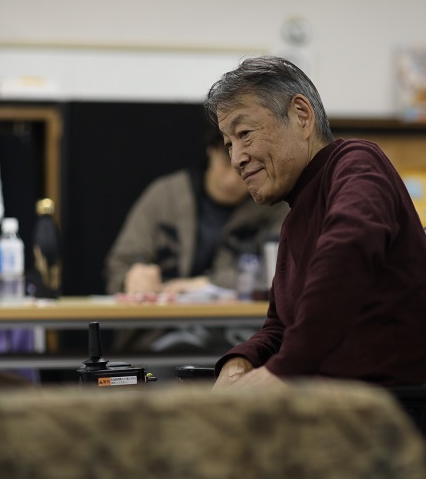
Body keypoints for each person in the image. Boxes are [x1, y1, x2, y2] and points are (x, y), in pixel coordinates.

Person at [207, 56, 426, 390]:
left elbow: (346, 254)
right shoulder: (295, 217)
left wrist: (284, 369)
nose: (236, 159)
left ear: (301, 116)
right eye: (229, 144)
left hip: (378, 405)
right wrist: (241, 360)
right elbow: (280, 326)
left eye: (244, 134)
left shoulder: (356, 163)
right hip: (326, 397)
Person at [104, 125, 288, 351]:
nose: (232, 180)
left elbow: (280, 276)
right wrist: (132, 276)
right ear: (211, 151)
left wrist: (209, 284)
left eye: (244, 169)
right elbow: (119, 263)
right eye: (225, 164)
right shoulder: (165, 196)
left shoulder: (274, 207)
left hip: (242, 336)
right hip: (158, 336)